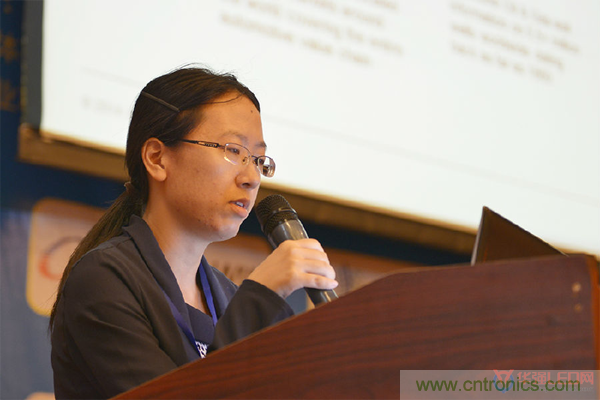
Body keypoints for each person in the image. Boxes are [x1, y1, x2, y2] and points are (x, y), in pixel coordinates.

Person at [49, 66, 338, 399]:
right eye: (233, 150)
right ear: (157, 158)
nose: (252, 178)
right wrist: (262, 294)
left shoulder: (228, 296)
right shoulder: (104, 279)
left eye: (259, 160)